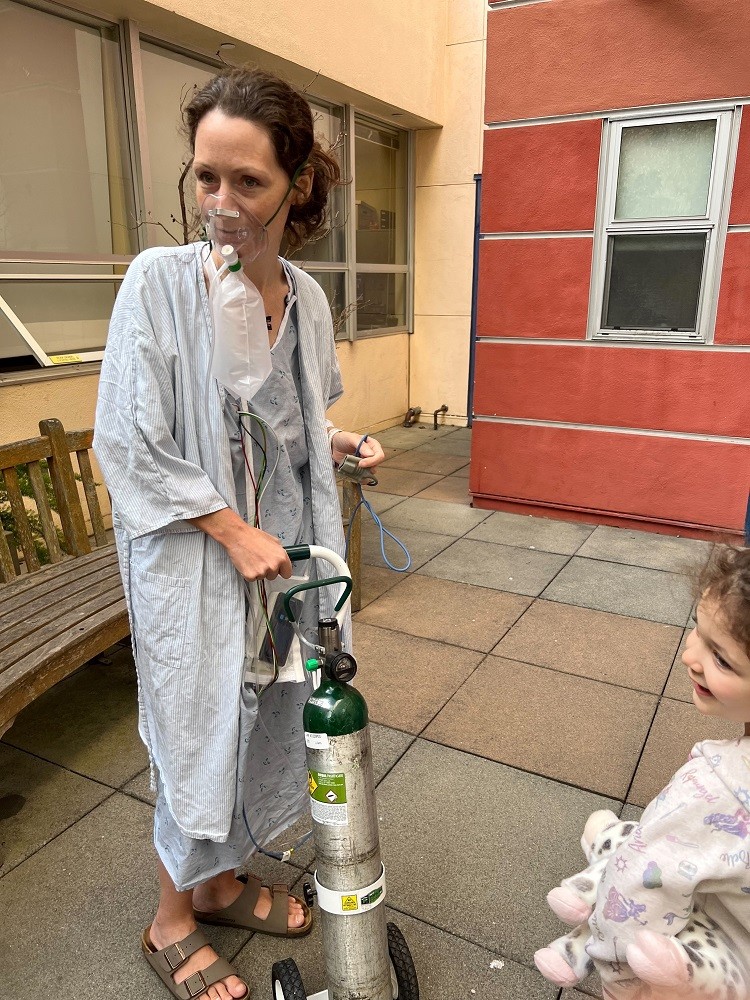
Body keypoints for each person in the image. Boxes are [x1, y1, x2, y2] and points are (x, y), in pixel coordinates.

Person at [94, 67, 385, 1000]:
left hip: (286, 560)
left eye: (248, 182)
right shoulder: (158, 284)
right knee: (194, 730)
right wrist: (225, 526)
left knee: (265, 723)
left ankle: (219, 884)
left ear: (296, 184)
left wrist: (337, 440)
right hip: (197, 561)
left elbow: (282, 421)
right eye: (205, 178)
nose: (220, 205)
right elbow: (127, 439)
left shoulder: (304, 295)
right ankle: (169, 918)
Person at [537, 543, 750, 999]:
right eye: (697, 630)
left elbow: (638, 889)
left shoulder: (716, 786)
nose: (690, 656)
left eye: (722, 659)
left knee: (641, 853)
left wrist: (624, 985)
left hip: (728, 952)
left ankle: (590, 903)